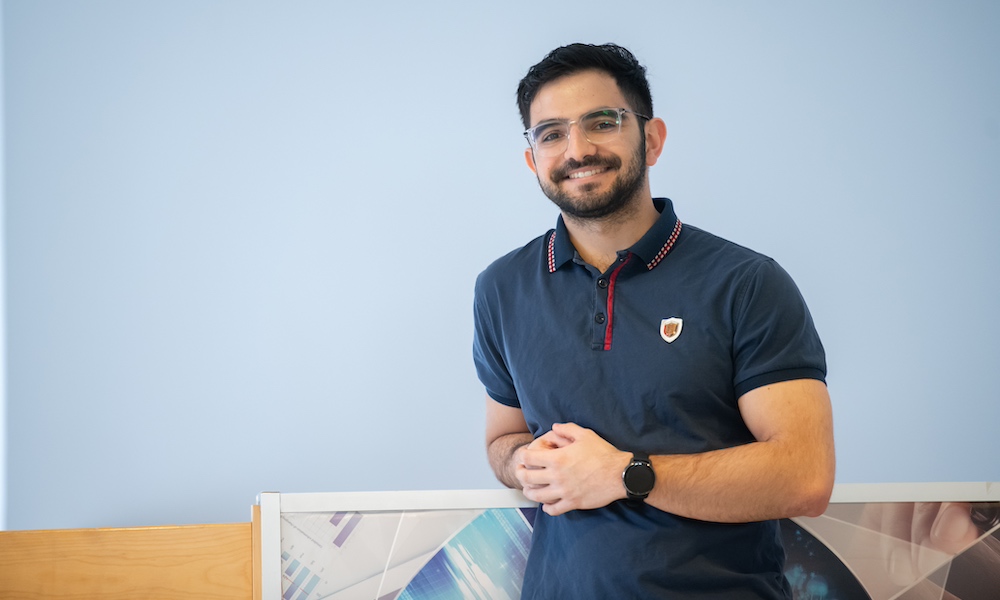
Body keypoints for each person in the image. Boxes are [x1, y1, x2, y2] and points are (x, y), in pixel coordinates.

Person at [472, 43, 836, 599]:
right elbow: (504, 438)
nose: (578, 149)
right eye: (551, 133)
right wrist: (524, 463)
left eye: (602, 122)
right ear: (533, 159)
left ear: (653, 138)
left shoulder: (745, 283)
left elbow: (805, 476)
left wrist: (624, 473)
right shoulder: (502, 288)